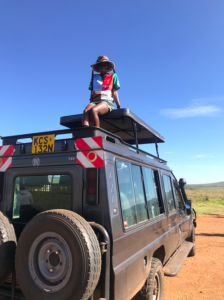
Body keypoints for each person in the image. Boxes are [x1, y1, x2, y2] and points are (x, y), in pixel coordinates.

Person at [82, 56, 121, 127]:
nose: (103, 67)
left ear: (107, 66)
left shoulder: (113, 76)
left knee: (93, 110)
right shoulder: (94, 77)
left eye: (104, 65)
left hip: (106, 101)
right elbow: (92, 91)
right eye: (101, 65)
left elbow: (114, 92)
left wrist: (118, 106)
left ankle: (96, 133)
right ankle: (85, 132)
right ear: (98, 67)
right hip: (94, 101)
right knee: (85, 111)